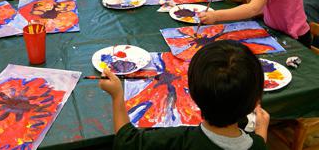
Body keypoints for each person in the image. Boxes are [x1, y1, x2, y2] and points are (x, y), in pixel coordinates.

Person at [99, 40, 269, 150]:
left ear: (192, 94)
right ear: (256, 101)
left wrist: (117, 96)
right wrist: (261, 129)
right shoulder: (258, 145)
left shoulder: (176, 140)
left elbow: (125, 141)